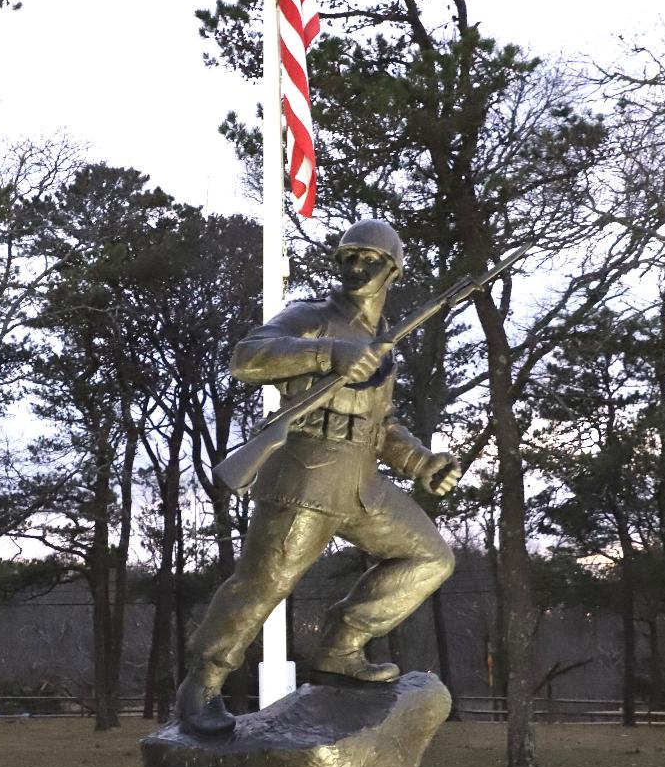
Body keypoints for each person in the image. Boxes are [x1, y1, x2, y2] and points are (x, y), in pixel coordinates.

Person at [176, 219, 461, 735]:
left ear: (391, 269)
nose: (355, 267)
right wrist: (329, 353)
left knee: (430, 557)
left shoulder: (382, 344)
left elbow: (382, 423)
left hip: (362, 481)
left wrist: (422, 463)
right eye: (347, 257)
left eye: (368, 259)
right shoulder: (311, 318)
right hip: (307, 475)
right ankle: (203, 682)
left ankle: (340, 646)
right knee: (265, 583)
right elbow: (246, 356)